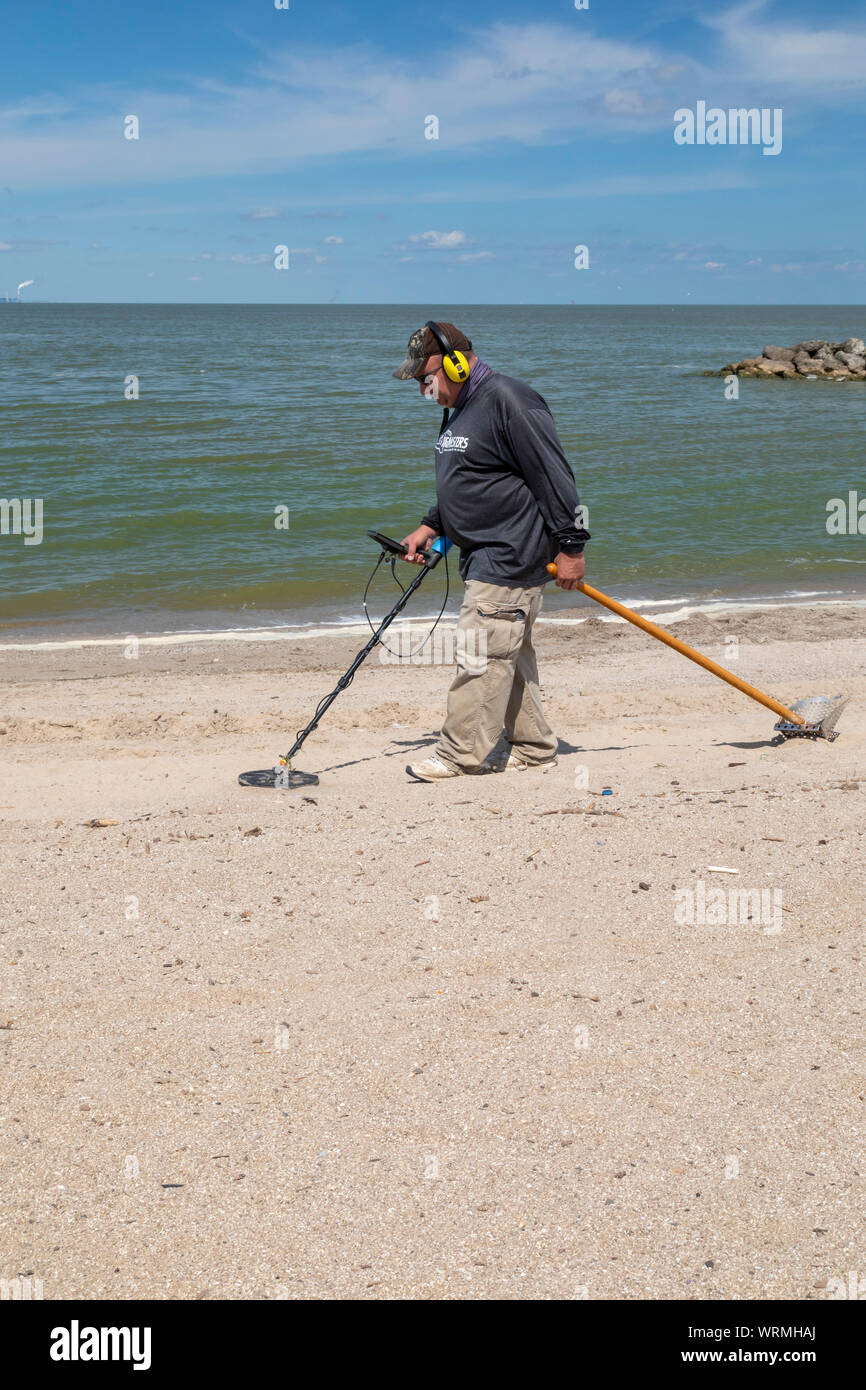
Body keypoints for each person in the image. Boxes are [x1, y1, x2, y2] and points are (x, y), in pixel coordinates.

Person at [393, 320, 590, 782]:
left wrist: (572, 546)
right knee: (510, 658)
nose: (423, 390)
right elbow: (472, 478)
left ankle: (458, 754)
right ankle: (536, 748)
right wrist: (432, 524)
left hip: (509, 555)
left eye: (426, 379)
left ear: (456, 364)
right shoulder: (463, 408)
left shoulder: (512, 402)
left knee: (480, 656)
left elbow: (557, 479)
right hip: (483, 555)